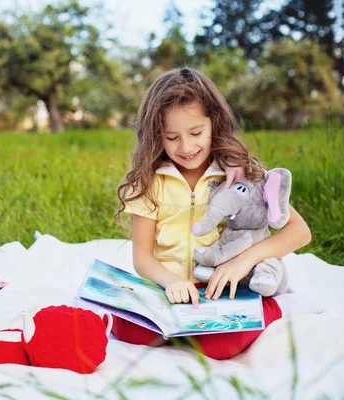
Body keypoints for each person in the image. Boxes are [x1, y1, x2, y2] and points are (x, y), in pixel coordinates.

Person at [113, 67, 322, 359]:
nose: (186, 147)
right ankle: (179, 328)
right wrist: (171, 281)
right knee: (126, 330)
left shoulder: (239, 173)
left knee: (220, 347)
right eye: (171, 137)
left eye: (196, 132)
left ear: (215, 123)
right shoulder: (148, 182)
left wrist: (244, 261)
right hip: (169, 289)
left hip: (221, 288)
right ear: (155, 136)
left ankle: (274, 306)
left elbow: (300, 231)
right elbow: (142, 257)